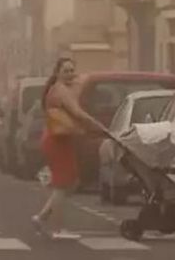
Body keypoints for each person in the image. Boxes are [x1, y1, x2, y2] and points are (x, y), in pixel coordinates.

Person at [31, 57, 109, 240]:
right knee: (62, 184)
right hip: (56, 141)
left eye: (72, 70)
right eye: (66, 71)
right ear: (57, 73)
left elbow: (81, 81)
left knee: (72, 181)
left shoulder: (64, 87)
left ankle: (41, 217)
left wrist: (76, 79)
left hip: (62, 139)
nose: (70, 74)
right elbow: (77, 112)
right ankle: (58, 229)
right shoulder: (59, 91)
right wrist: (99, 126)